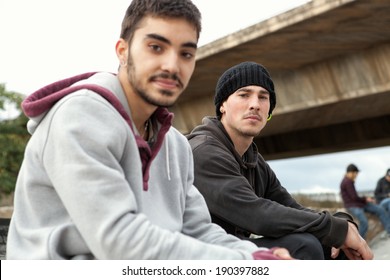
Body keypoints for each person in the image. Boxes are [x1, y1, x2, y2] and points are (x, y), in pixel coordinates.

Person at [6, 1, 293, 260]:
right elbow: (120, 241)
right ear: (122, 51)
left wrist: (258, 255)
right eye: (156, 47)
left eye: (186, 53)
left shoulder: (176, 146)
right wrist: (245, 264)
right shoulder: (79, 117)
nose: (172, 65)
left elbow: (199, 230)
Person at [187, 61, 373, 260]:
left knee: (332, 245)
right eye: (243, 94)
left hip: (231, 251)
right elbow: (257, 215)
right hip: (191, 258)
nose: (255, 104)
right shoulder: (203, 152)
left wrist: (341, 222)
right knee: (305, 245)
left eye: (263, 97)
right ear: (222, 105)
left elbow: (291, 210)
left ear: (269, 110)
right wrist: (336, 229)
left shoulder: (254, 162)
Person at [340, 164, 390, 239]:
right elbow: (354, 197)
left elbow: (354, 197)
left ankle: (388, 230)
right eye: (356, 173)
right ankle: (357, 241)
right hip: (353, 206)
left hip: (359, 204)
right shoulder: (347, 182)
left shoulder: (348, 181)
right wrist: (365, 199)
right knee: (364, 223)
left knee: (380, 209)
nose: (356, 175)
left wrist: (366, 200)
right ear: (351, 172)